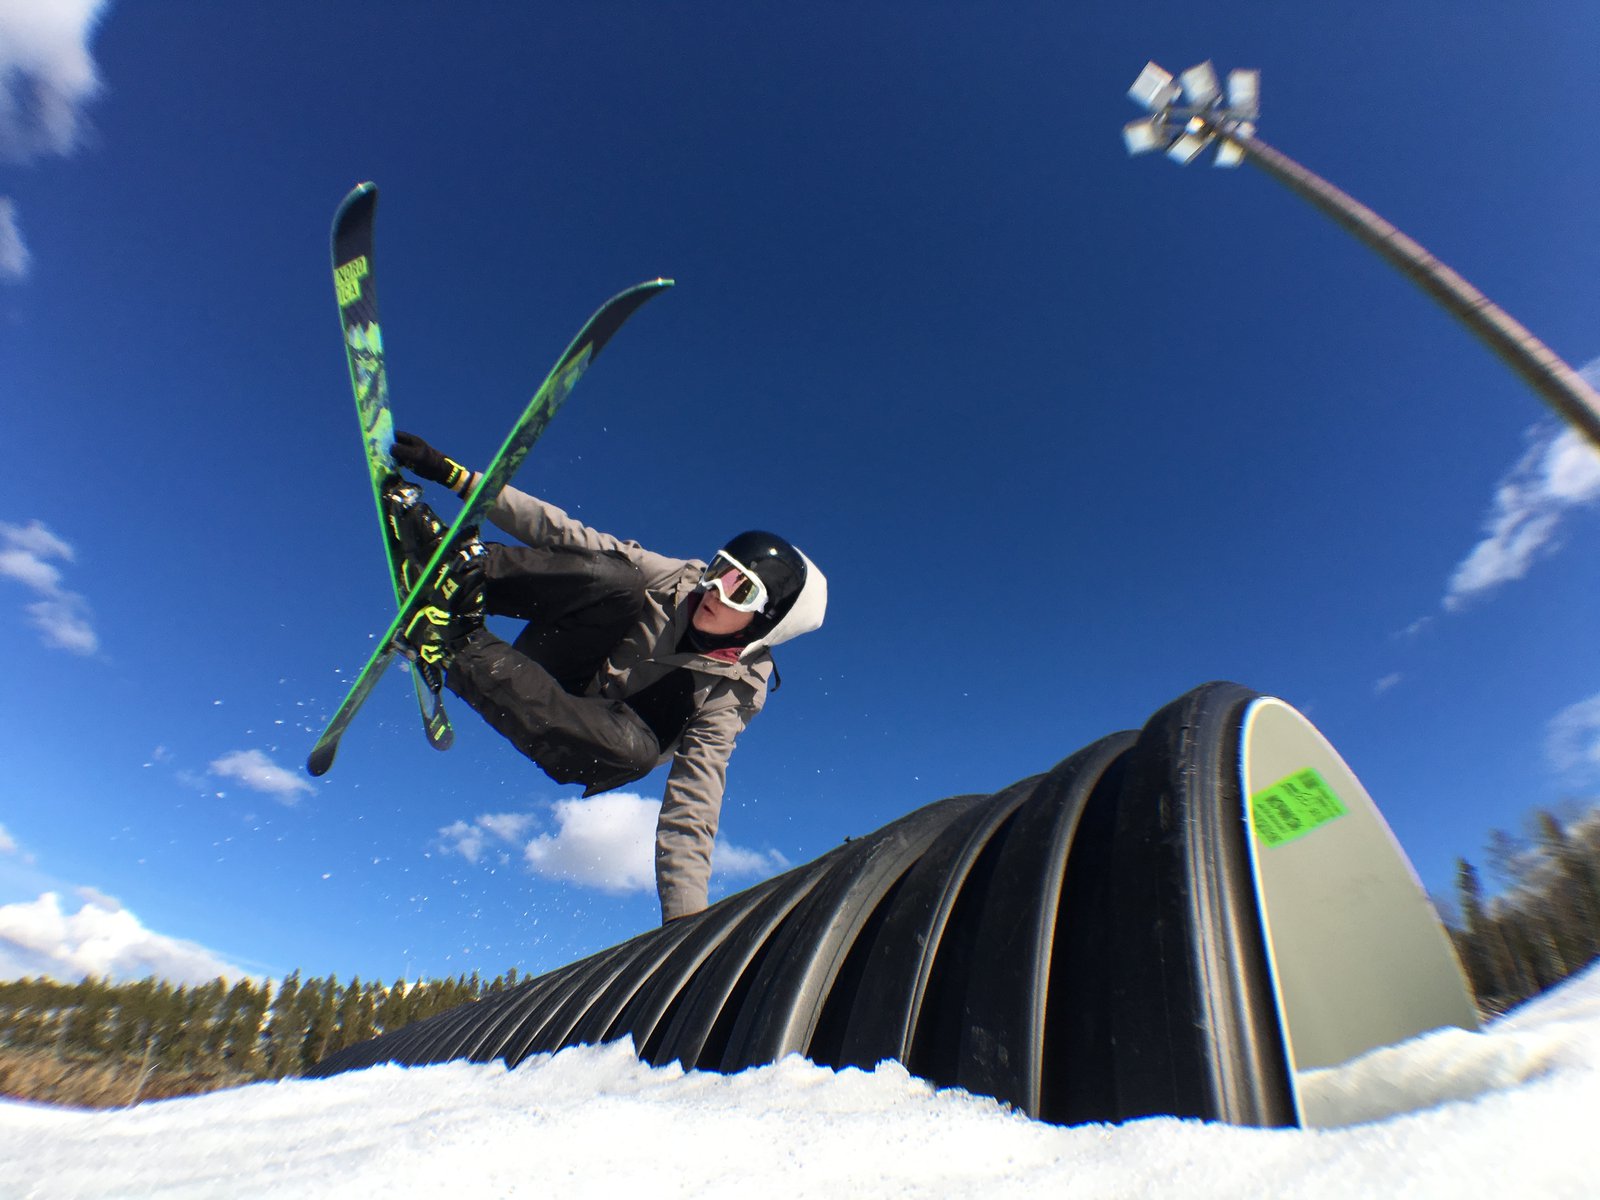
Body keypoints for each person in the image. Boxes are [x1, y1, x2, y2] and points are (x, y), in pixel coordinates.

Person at [382, 431, 828, 923]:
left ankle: (455, 643)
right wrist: (461, 479)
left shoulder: (733, 692)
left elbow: (694, 803)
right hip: (556, 666)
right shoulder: (681, 580)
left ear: (765, 620)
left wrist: (684, 924)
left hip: (594, 739)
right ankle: (458, 571)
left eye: (740, 590)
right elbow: (569, 537)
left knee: (637, 751)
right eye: (721, 570)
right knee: (618, 577)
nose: (715, 592)